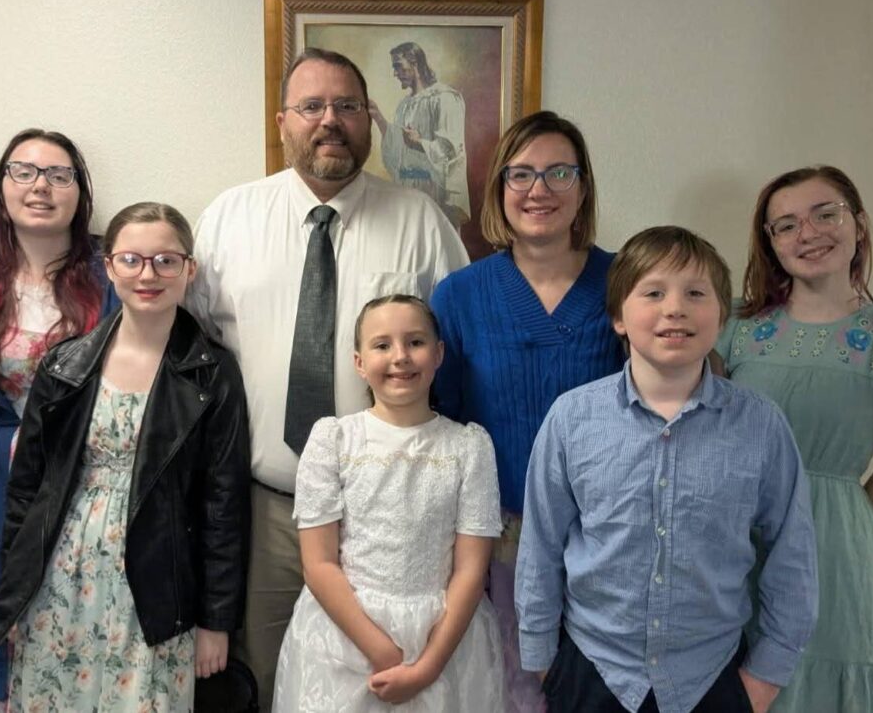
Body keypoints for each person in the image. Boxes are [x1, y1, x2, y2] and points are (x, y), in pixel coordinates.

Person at [187, 46, 469, 708]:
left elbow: (458, 348)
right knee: (267, 681)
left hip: (391, 519)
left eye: (346, 105)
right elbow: (189, 348)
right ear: (283, 120)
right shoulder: (229, 218)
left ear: (369, 118)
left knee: (378, 686)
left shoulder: (420, 221)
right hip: (267, 509)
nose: (329, 120)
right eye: (311, 106)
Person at [517, 226, 819, 713]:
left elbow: (792, 554)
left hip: (715, 676)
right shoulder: (571, 419)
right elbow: (541, 545)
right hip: (592, 670)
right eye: (653, 293)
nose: (675, 308)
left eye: (696, 293)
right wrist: (543, 661)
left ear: (721, 316)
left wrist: (766, 676)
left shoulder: (761, 425)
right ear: (618, 316)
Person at [0, 202, 251, 710]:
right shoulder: (65, 365)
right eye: (131, 259)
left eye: (166, 261)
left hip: (159, 588)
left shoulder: (212, 374)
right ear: (109, 267)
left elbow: (224, 507)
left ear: (189, 269)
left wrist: (217, 622)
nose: (148, 275)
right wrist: (12, 594)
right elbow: (26, 489)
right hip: (61, 576)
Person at [715, 166, 873, 712]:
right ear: (771, 243)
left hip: (838, 552)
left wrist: (827, 539)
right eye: (787, 224)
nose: (809, 233)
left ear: (859, 225)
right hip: (735, 542)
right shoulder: (731, 328)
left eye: (826, 214)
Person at [430, 110, 625, 710]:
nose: (539, 189)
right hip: (499, 540)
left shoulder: (627, 284)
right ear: (500, 188)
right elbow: (442, 427)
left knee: (601, 689)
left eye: (559, 172)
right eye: (521, 174)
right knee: (513, 689)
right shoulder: (458, 296)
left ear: (583, 187)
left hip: (608, 535)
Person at [0, 128, 118, 710]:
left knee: (76, 620)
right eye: (24, 171)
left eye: (59, 175)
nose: (41, 186)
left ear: (80, 192)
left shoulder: (111, 274)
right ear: (2, 186)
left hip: (84, 477)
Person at [272, 294, 503, 711]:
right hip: (345, 638)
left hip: (444, 640)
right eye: (382, 345)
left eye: (415, 342)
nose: (400, 356)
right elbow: (319, 564)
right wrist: (382, 652)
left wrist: (427, 667)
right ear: (359, 362)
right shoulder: (333, 441)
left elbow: (471, 569)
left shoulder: (469, 447)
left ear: (438, 354)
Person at [370, 41, 470, 229]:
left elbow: (451, 150)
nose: (395, 73)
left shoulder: (445, 97)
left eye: (398, 66)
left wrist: (420, 143)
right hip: (410, 191)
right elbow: (397, 153)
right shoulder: (404, 105)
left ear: (414, 62)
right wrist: (379, 118)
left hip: (435, 192)